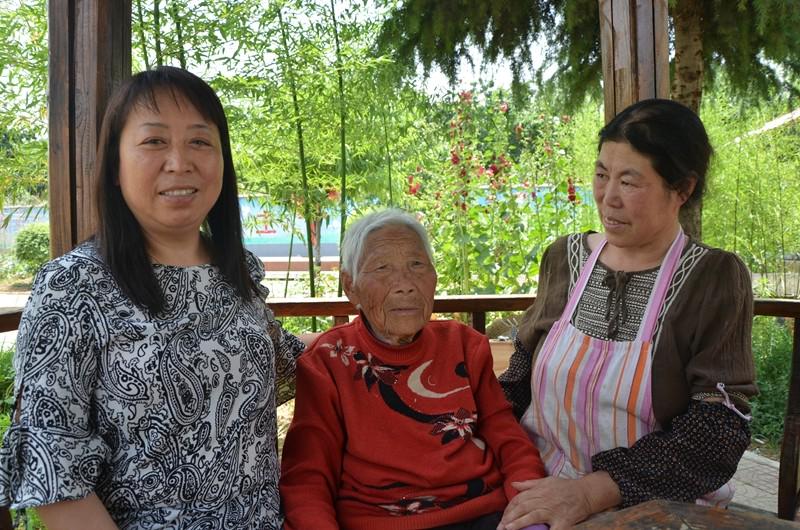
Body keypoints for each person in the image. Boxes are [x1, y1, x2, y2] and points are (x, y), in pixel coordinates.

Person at [0, 66, 307, 529]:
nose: (180, 162)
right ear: (116, 169)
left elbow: (283, 359)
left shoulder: (237, 271)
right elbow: (54, 474)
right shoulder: (72, 288)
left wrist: (375, 336)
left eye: (200, 141)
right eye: (154, 141)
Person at [497, 98, 757, 530]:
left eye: (630, 182)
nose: (608, 198)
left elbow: (717, 432)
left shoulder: (712, 278)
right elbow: (520, 379)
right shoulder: (565, 258)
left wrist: (589, 491)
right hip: (541, 492)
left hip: (655, 508)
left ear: (683, 189)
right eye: (602, 175)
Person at [279, 208, 546, 530]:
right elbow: (307, 476)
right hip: (377, 522)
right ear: (350, 286)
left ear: (434, 276)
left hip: (482, 515)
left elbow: (507, 437)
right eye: (382, 268)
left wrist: (530, 510)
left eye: (417, 265)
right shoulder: (328, 362)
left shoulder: (464, 344)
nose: (404, 284)